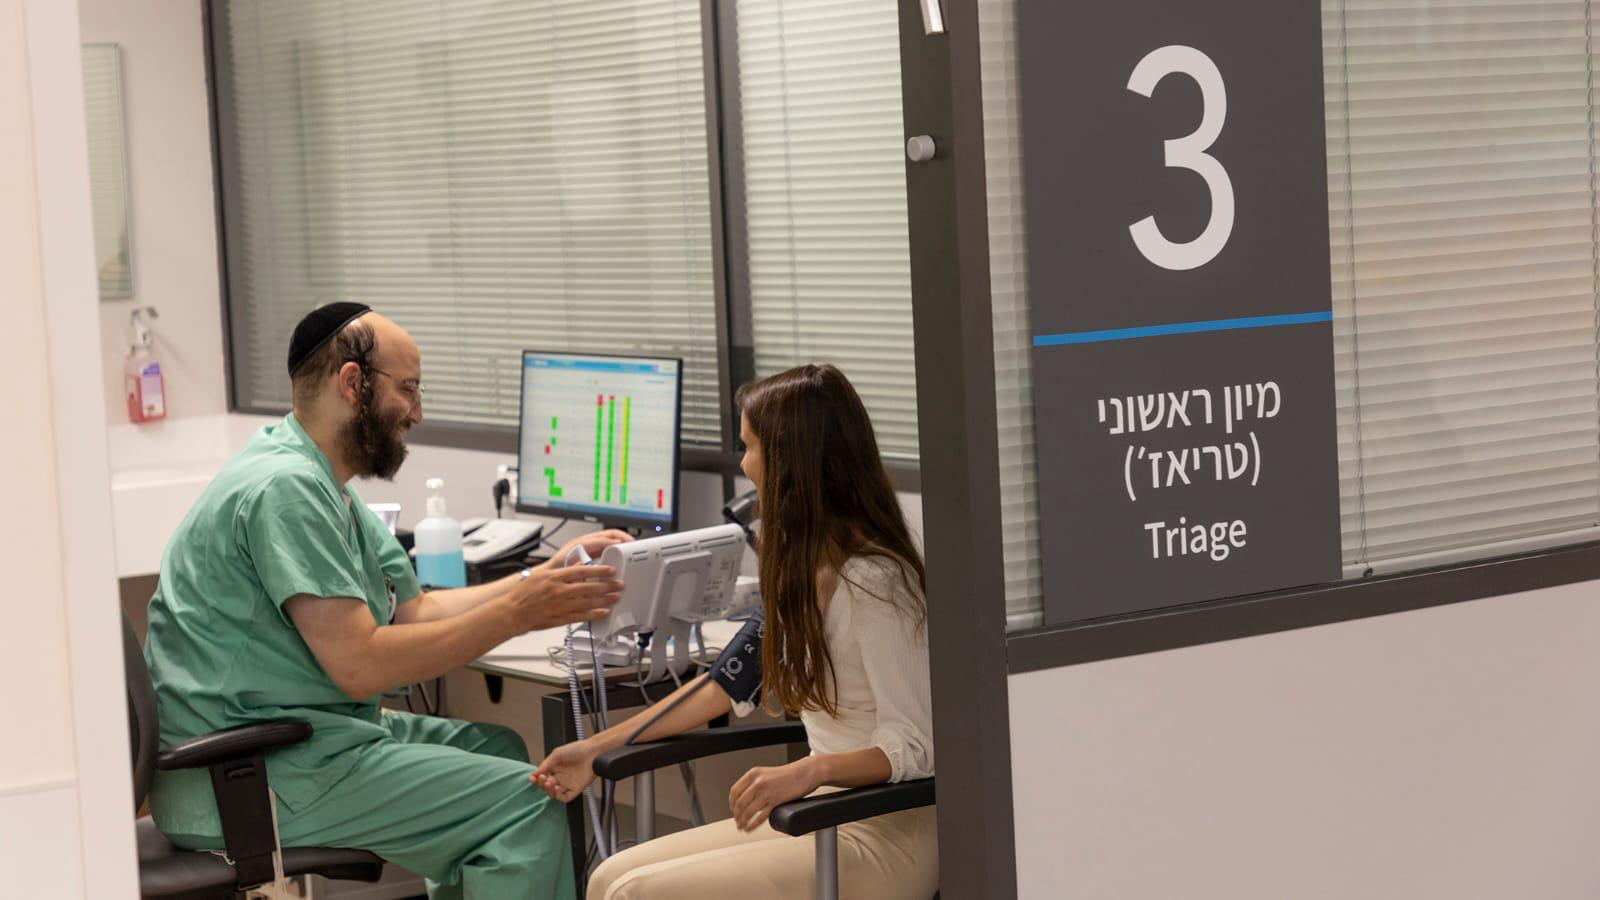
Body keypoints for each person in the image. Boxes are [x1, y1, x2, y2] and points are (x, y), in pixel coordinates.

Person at [143, 302, 629, 900]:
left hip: (294, 741)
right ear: (352, 383)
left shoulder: (316, 477)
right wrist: (519, 613)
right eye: (408, 390)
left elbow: (414, 610)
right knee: (527, 804)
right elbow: (361, 666)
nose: (417, 413)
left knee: (502, 749)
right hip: (250, 776)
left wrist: (540, 577)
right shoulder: (286, 489)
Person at [532, 363, 938, 899]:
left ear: (792, 464)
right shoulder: (802, 569)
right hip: (819, 815)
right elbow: (724, 685)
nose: (744, 465)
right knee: (608, 877)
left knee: (634, 894)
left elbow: (921, 746)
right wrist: (593, 749)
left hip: (886, 829)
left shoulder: (876, 581)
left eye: (750, 448)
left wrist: (811, 771)